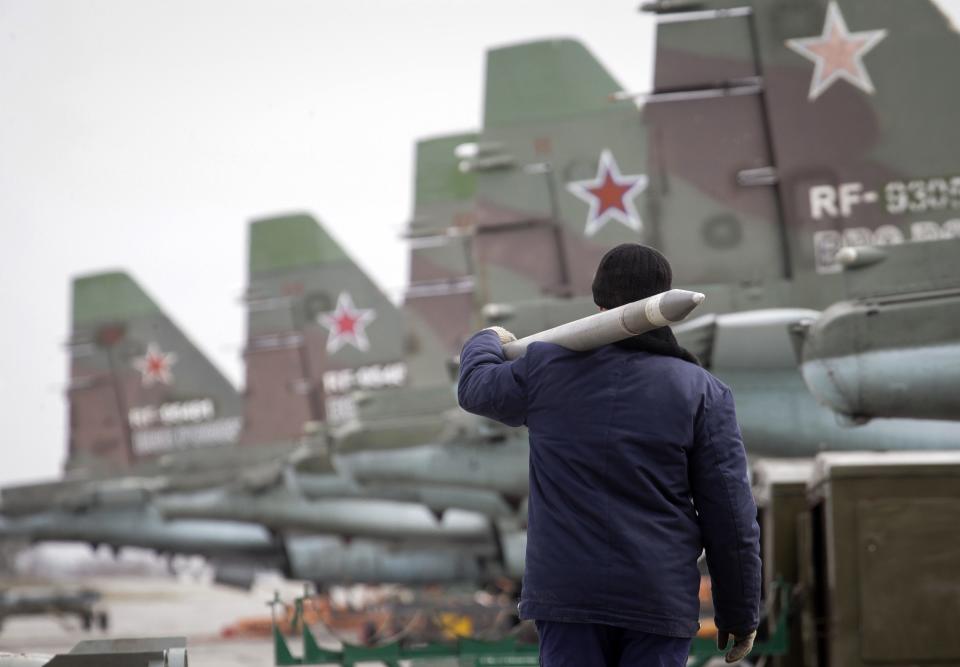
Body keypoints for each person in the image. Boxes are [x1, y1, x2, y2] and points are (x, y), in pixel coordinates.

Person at [457, 244, 760, 666]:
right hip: (657, 599)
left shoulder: (547, 369)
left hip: (568, 597)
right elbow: (730, 516)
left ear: (599, 304)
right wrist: (740, 612)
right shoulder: (703, 392)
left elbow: (474, 387)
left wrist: (486, 339)